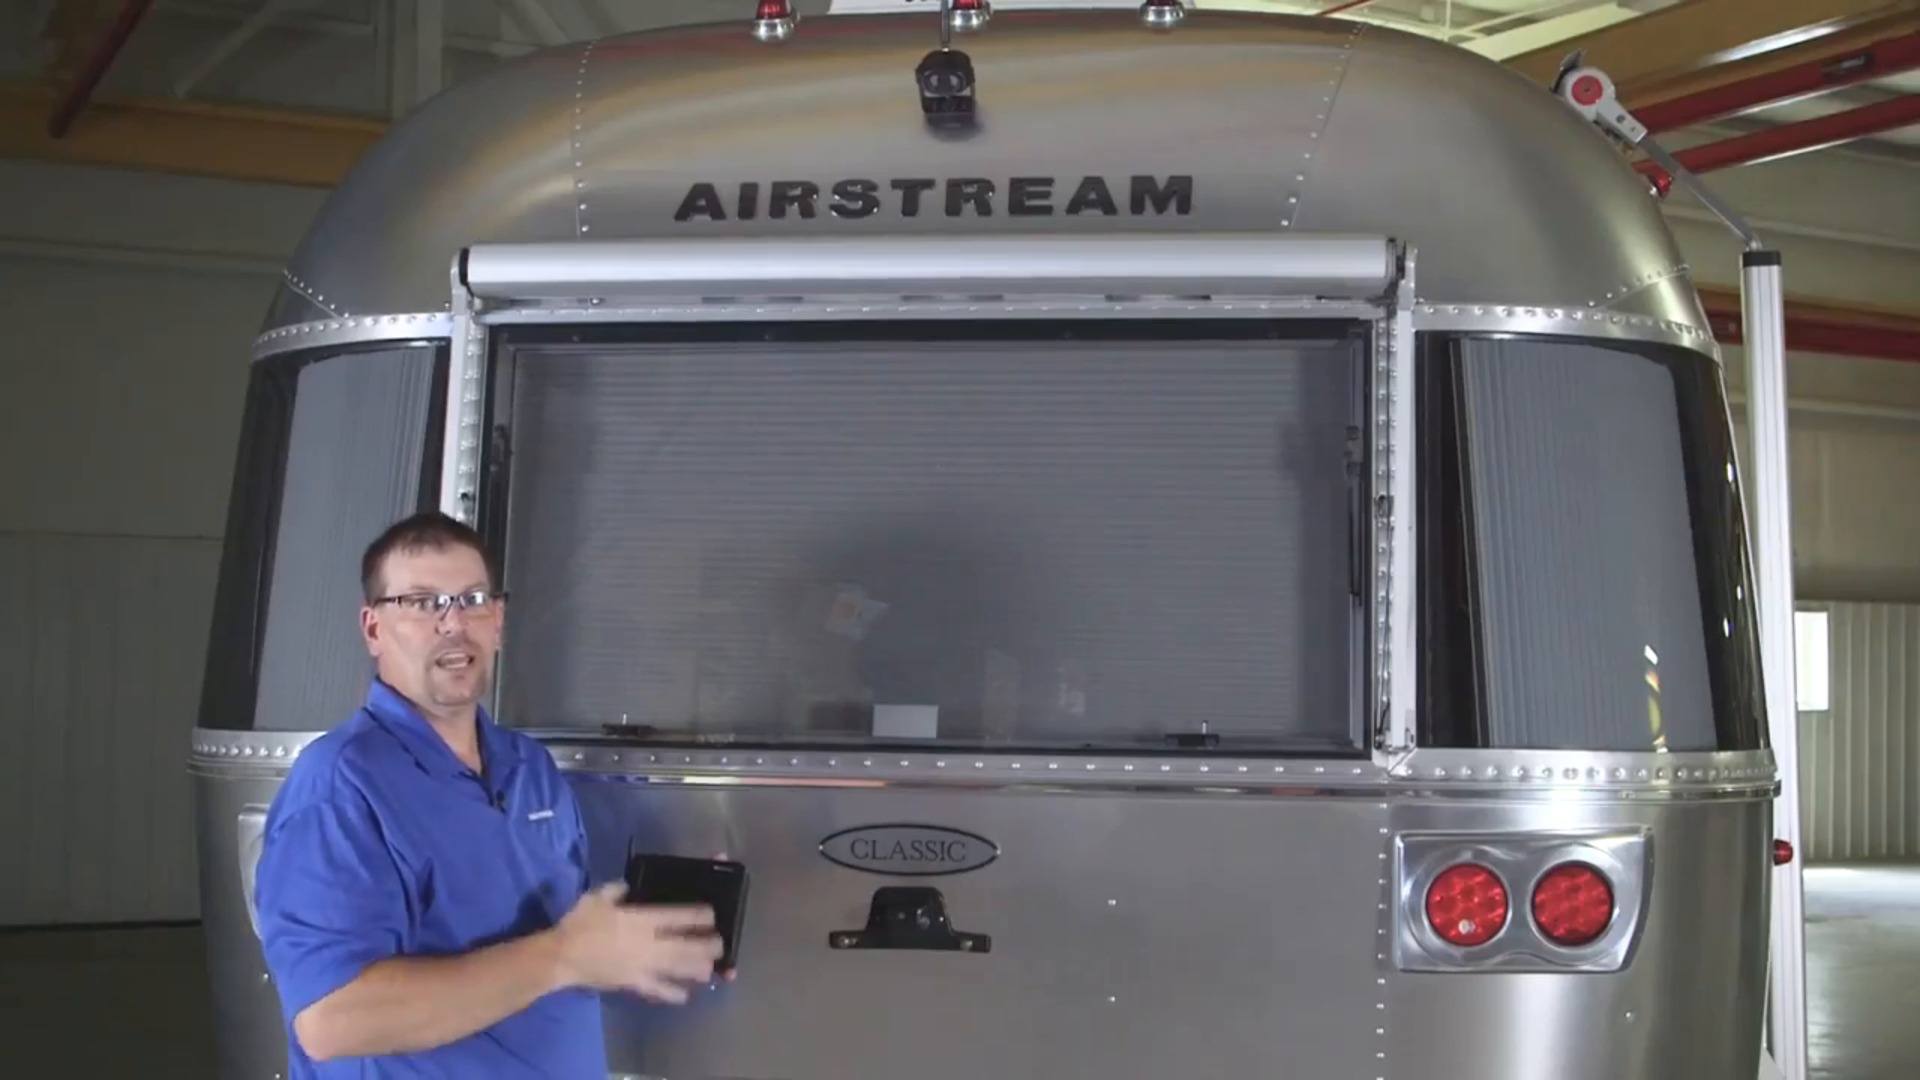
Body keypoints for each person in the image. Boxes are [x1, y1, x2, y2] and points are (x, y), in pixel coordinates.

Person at [253, 511, 722, 1077]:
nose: (454, 623)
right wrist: (565, 956)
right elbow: (332, 1020)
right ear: (373, 629)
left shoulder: (530, 766)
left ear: (497, 620)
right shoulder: (340, 786)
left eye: (473, 599)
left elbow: (553, 944)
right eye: (422, 603)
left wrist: (633, 947)